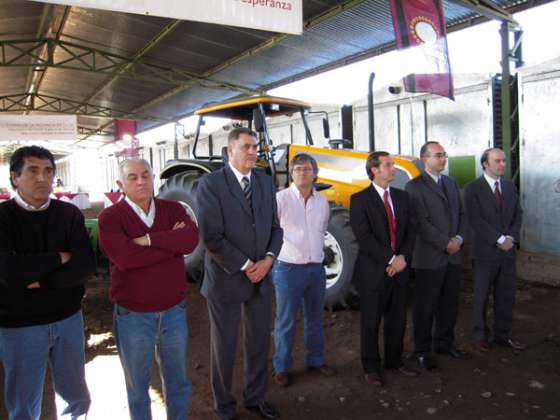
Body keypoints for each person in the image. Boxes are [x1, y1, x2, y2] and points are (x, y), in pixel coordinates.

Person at [98, 158, 199, 420]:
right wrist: (170, 244)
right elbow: (125, 259)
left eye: (146, 175)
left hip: (173, 310)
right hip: (133, 314)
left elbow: (190, 240)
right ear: (121, 184)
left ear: (153, 177)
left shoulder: (173, 208)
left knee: (177, 381)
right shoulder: (110, 217)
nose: (141, 181)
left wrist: (148, 240)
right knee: (138, 387)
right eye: (133, 177)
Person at [0, 145, 94, 420]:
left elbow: (84, 266)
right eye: (33, 170)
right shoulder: (3, 218)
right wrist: (58, 257)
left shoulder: (69, 215)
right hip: (19, 326)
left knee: (75, 398)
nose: (42, 178)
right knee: (24, 404)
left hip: (68, 319)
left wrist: (39, 281)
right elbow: (8, 271)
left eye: (48, 171)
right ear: (15, 177)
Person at [196, 127, 283, 420]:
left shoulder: (265, 182)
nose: (252, 152)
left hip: (262, 277)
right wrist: (248, 265)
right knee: (225, 347)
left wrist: (269, 260)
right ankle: (224, 407)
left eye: (255, 147)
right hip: (227, 278)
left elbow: (275, 228)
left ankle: (255, 398)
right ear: (229, 150)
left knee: (259, 342)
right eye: (246, 147)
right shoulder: (211, 184)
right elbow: (211, 237)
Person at [349, 151, 418, 387]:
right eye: (388, 165)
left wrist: (403, 259)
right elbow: (364, 237)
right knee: (371, 321)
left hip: (400, 270)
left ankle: (394, 360)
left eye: (393, 164)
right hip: (373, 272)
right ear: (374, 170)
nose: (394, 168)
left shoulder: (402, 197)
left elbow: (411, 231)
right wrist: (391, 259)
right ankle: (371, 366)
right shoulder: (359, 200)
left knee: (398, 318)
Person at [271, 153, 336, 387]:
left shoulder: (322, 202)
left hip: (316, 269)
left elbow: (322, 230)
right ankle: (281, 367)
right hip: (288, 269)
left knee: (315, 319)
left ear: (315, 174)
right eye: (297, 169)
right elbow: (271, 231)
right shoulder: (280, 199)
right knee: (286, 320)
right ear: (291, 173)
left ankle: (316, 360)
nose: (302, 172)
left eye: (307, 169)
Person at [405, 141, 468, 370]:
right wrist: (445, 243)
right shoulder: (414, 187)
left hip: (453, 255)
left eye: (444, 155)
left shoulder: (451, 183)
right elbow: (421, 222)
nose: (443, 159)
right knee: (425, 306)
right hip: (430, 257)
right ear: (425, 159)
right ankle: (422, 350)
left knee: (449, 303)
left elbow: (462, 214)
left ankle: (444, 343)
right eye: (438, 155)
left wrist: (459, 239)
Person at [464, 148, 525, 352]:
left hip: (507, 252)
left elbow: (518, 214)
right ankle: (480, 335)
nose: (502, 165)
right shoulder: (473, 188)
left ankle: (503, 335)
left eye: (504, 161)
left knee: (506, 295)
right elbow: (475, 219)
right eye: (497, 161)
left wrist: (511, 238)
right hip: (485, 253)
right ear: (485, 164)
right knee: (481, 296)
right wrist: (498, 238)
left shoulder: (509, 187)